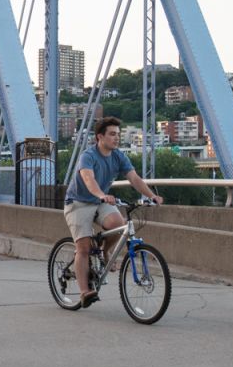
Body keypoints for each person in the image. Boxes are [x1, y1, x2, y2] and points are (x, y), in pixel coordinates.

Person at [63, 116, 164, 309]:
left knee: (119, 225)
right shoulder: (88, 156)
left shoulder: (118, 156)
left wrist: (152, 196)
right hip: (78, 202)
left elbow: (134, 178)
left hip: (100, 201)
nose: (116, 138)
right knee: (83, 248)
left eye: (118, 134)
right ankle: (85, 292)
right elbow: (88, 179)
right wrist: (102, 195)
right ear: (100, 137)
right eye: (111, 134)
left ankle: (105, 251)